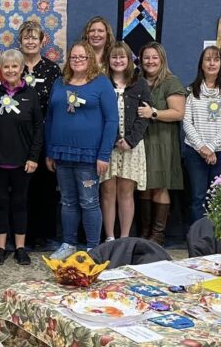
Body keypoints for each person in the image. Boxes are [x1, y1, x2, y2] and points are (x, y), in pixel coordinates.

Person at [45, 42, 117, 259]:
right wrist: (50, 150)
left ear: (90, 60)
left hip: (89, 156)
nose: (77, 60)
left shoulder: (101, 84)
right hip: (61, 153)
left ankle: (92, 248)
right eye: (73, 57)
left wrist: (104, 154)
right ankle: (68, 243)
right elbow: (50, 118)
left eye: (82, 57)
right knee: (67, 201)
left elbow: (112, 120)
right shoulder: (60, 83)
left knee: (89, 201)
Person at [0, 49, 43, 266]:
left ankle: (19, 248)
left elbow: (38, 129)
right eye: (6, 66)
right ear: (1, 69)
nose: (10, 70)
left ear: (21, 69)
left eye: (14, 66)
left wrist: (33, 157)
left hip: (23, 161)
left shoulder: (31, 95)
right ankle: (0, 248)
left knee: (19, 204)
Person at [182, 46, 221, 221]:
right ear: (201, 64)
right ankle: (198, 240)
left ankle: (217, 239)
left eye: (216, 59)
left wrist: (211, 146)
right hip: (195, 151)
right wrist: (202, 147)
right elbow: (187, 121)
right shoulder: (192, 90)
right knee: (197, 198)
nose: (211, 63)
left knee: (219, 197)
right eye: (207, 59)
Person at [135, 42, 186, 245]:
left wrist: (153, 113)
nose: (150, 61)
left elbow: (178, 112)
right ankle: (145, 233)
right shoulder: (137, 81)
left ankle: (157, 235)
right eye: (146, 57)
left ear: (162, 59)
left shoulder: (171, 82)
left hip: (162, 140)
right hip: (141, 140)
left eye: (154, 57)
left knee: (160, 186)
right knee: (144, 186)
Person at [100, 42, 151, 241]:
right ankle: (110, 237)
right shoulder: (102, 82)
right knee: (107, 190)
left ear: (129, 60)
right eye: (114, 57)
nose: (118, 61)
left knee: (126, 192)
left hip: (132, 146)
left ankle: (124, 238)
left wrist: (130, 140)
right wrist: (112, 140)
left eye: (122, 57)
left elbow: (144, 116)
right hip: (108, 146)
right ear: (108, 60)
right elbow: (98, 114)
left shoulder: (139, 83)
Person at [18, 20, 62, 249]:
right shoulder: (13, 66)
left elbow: (56, 105)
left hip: (45, 135)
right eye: (26, 37)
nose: (31, 41)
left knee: (44, 187)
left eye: (34, 37)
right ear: (20, 41)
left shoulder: (52, 69)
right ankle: (21, 234)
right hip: (19, 135)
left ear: (42, 41)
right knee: (21, 187)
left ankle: (42, 235)